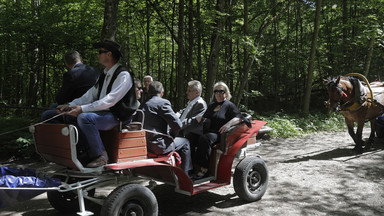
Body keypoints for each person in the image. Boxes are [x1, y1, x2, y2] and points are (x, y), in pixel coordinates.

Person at [41, 40, 138, 168]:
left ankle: (101, 156)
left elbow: (110, 101)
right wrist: (69, 106)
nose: (98, 55)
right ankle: (78, 152)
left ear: (109, 54)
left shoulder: (123, 75)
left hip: (117, 116)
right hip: (101, 113)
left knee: (85, 118)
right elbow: (89, 95)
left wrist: (82, 109)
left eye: (100, 52)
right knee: (48, 115)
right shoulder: (104, 75)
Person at [141, 81, 193, 176]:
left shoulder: (143, 104)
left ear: (148, 92)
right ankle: (185, 176)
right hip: (158, 146)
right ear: (162, 93)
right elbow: (178, 125)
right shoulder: (163, 103)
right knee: (185, 142)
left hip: (144, 144)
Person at [194, 81, 243, 178]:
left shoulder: (229, 105)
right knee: (191, 136)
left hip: (221, 133)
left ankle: (205, 168)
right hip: (209, 131)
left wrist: (228, 124)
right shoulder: (212, 105)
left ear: (226, 93)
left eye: (221, 91)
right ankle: (191, 166)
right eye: (216, 91)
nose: (219, 94)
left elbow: (239, 117)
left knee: (205, 138)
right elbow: (204, 117)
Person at [177, 80, 207, 160]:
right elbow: (182, 112)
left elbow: (192, 122)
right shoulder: (192, 102)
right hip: (183, 131)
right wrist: (175, 116)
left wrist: (177, 125)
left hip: (190, 134)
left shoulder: (200, 104)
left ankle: (187, 169)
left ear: (197, 92)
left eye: (189, 91)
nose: (187, 92)